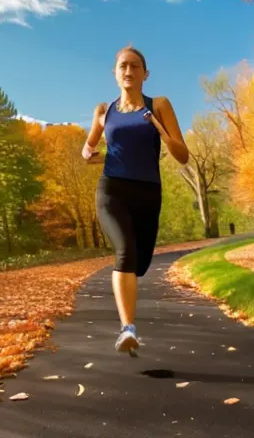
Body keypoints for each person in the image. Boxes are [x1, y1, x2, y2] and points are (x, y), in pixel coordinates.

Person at [81, 45, 189, 355]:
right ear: (115, 74)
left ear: (145, 73)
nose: (128, 71)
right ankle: (127, 329)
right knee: (125, 252)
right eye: (123, 66)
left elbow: (182, 156)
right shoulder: (104, 111)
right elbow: (87, 149)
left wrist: (161, 131)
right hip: (111, 190)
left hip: (147, 192)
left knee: (139, 263)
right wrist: (90, 154)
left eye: (135, 66)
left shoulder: (160, 105)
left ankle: (128, 312)